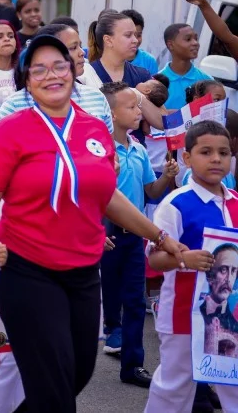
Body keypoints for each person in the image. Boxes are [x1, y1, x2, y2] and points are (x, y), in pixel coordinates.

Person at [0, 34, 185, 412]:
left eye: (58, 66)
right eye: (38, 69)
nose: (50, 75)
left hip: (84, 269)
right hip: (26, 269)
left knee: (78, 371)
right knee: (53, 384)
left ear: (72, 72)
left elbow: (108, 196)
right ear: (27, 80)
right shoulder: (7, 131)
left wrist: (159, 235)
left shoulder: (94, 129)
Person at [145, 122, 238, 412]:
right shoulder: (176, 204)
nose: (216, 159)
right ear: (186, 158)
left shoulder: (236, 203)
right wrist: (186, 259)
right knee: (175, 385)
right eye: (206, 152)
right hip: (183, 314)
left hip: (230, 317)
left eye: (223, 153)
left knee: (233, 383)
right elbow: (155, 259)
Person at [100, 82, 179, 387]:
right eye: (131, 107)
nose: (138, 112)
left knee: (134, 299)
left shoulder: (139, 148)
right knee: (107, 291)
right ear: (111, 113)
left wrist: (168, 178)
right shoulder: (102, 150)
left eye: (138, 106)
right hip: (107, 232)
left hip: (134, 234)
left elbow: (151, 191)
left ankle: (133, 365)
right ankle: (110, 331)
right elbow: (94, 194)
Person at [0, 23, 114, 133]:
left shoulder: (96, 97)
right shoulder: (15, 104)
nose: (82, 52)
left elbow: (110, 151)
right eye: (72, 48)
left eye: (80, 46)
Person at [159, 22, 213, 110]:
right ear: (170, 45)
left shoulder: (207, 80)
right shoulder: (157, 82)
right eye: (188, 39)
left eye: (196, 38)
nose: (195, 43)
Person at [120, 9, 160, 75]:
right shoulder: (112, 59)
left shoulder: (149, 61)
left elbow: (154, 84)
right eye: (128, 35)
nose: (135, 40)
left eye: (139, 35)